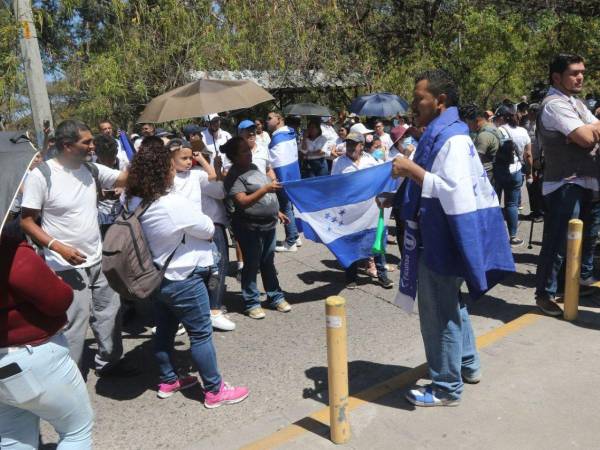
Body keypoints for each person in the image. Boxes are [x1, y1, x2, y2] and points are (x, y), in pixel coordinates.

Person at [392, 70, 495, 407]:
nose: (413, 104)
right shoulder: (446, 134)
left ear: (440, 102)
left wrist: (410, 170)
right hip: (442, 234)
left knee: (438, 314)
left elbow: (453, 191)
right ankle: (467, 364)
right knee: (453, 305)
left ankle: (446, 387)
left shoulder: (450, 139)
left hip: (439, 239)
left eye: (419, 97)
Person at [126, 137, 248, 407]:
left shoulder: (136, 201)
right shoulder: (170, 203)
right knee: (201, 333)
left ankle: (168, 379)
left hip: (157, 277)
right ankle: (215, 391)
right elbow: (206, 228)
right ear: (164, 170)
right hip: (184, 277)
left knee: (165, 330)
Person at [20, 119, 135, 377]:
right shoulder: (42, 175)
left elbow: (125, 178)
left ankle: (111, 363)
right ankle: (71, 375)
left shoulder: (91, 169)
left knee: (110, 314)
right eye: (87, 142)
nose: (93, 146)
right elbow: (27, 221)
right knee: (75, 322)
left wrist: (151, 158)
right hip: (63, 264)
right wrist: (58, 247)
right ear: (67, 145)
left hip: (97, 258)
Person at [0, 220, 94, 449]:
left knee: (14, 437)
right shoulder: (9, 250)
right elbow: (57, 300)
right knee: (76, 432)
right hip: (33, 356)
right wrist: (55, 281)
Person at [535, 53, 600, 316]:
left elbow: (592, 129)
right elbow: (586, 137)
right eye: (574, 72)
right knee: (558, 241)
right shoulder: (553, 105)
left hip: (584, 181)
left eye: (582, 71)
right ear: (556, 77)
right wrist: (589, 130)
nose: (580, 76)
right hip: (564, 183)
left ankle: (567, 286)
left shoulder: (574, 102)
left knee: (582, 240)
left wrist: (592, 128)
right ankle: (544, 294)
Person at [222, 137, 292, 319]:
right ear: (234, 157)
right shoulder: (233, 176)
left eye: (248, 149)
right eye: (244, 151)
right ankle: (251, 302)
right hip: (249, 227)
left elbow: (264, 192)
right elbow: (243, 202)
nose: (249, 153)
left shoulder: (253, 168)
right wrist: (266, 189)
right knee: (252, 264)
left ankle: (275, 297)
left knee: (268, 262)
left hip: (268, 223)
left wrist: (276, 212)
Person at [331, 133, 394, 289]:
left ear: (361, 145)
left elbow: (382, 174)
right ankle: (351, 276)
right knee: (351, 241)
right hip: (350, 209)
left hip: (370, 208)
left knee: (376, 240)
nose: (351, 147)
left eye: (354, 144)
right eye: (348, 144)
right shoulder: (339, 162)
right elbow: (333, 185)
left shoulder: (370, 160)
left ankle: (382, 275)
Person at [492, 104, 532, 246]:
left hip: (499, 170)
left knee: (494, 203)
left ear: (502, 118)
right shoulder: (523, 131)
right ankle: (513, 236)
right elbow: (528, 155)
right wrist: (529, 174)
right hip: (516, 171)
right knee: (512, 204)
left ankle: (494, 235)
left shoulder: (498, 131)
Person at [266, 111, 302, 252]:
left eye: (270, 118)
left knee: (286, 208)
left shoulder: (278, 138)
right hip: (293, 176)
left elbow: (277, 162)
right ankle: (295, 236)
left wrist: (277, 180)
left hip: (283, 179)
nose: (267, 121)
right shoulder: (290, 134)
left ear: (279, 119)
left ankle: (291, 241)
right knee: (289, 207)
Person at [461, 104, 502, 188]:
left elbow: (476, 159)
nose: (468, 126)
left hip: (487, 174)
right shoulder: (492, 127)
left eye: (468, 123)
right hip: (496, 172)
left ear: (476, 120)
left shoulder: (483, 136)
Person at [94, 134, 124, 238]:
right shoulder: (91, 168)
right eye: (104, 158)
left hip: (122, 215)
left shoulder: (124, 165)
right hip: (101, 218)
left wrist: (123, 188)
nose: (108, 162)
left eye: (111, 157)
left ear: (116, 152)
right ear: (97, 154)